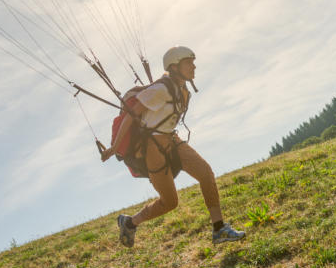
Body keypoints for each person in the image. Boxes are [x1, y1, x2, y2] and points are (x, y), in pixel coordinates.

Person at [101, 46, 245, 247]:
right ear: (175, 67)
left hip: (172, 141)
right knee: (170, 202)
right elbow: (130, 117)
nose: (194, 67)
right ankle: (130, 222)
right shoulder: (160, 90)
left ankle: (219, 229)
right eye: (189, 63)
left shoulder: (183, 90)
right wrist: (114, 147)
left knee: (205, 173)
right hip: (152, 148)